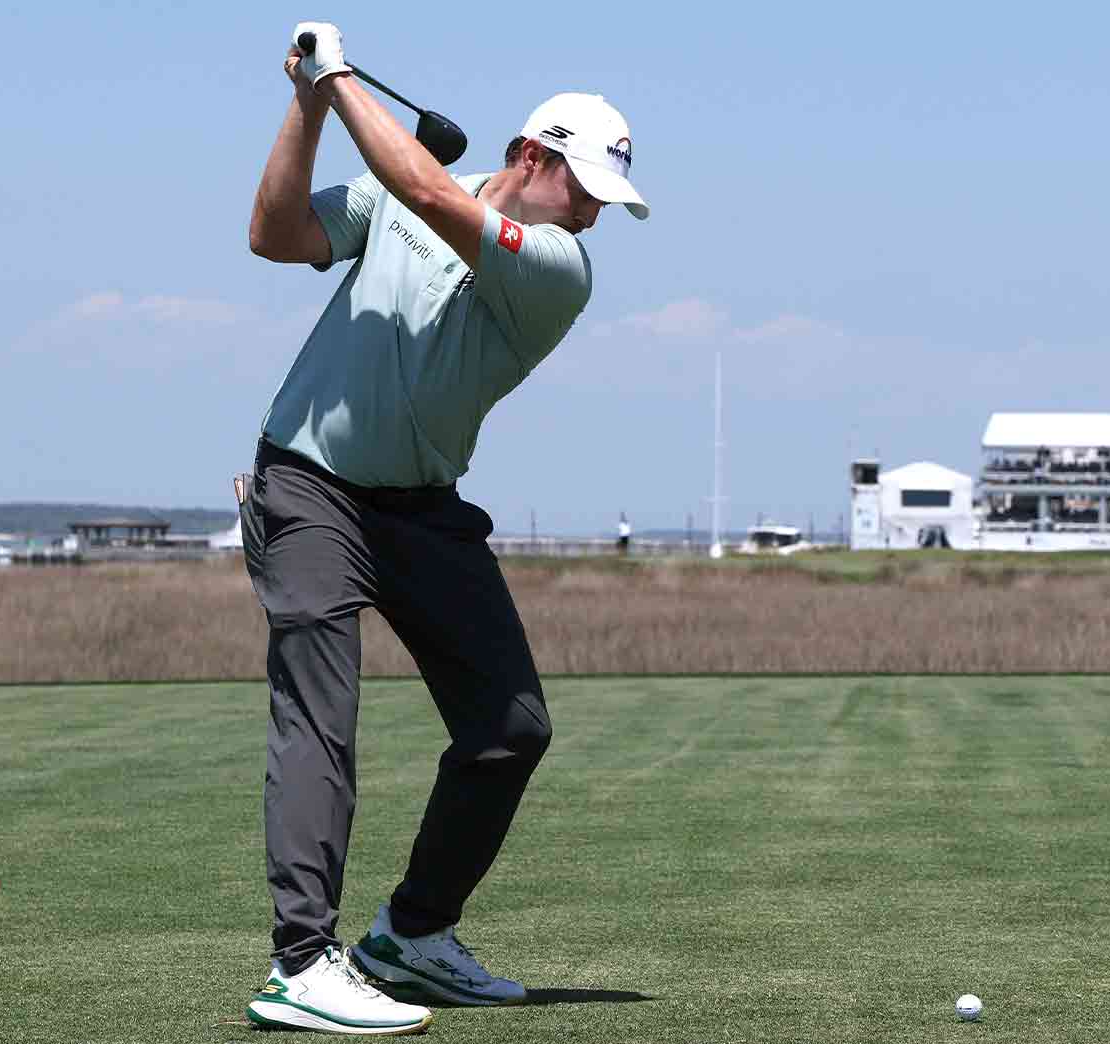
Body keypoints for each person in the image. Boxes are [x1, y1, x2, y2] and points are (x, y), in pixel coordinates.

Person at [239, 22, 649, 1035]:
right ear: (530, 156)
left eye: (606, 198)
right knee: (321, 713)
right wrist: (305, 101)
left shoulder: (557, 268)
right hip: (311, 486)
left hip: (422, 508)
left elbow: (428, 191)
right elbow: (276, 234)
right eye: (586, 185)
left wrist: (335, 79)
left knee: (511, 728)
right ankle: (302, 962)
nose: (594, 211)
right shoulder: (389, 196)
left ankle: (410, 937)